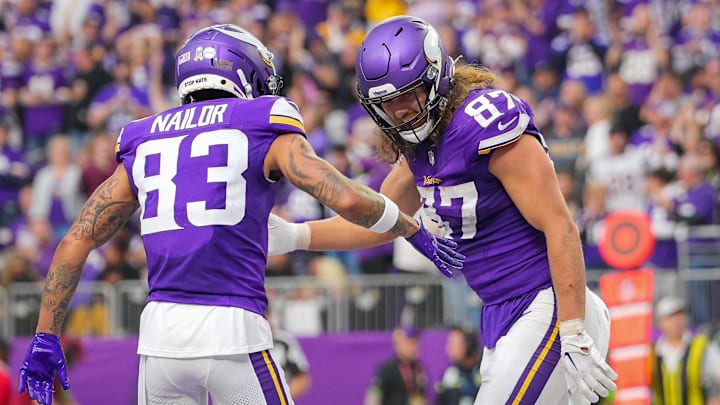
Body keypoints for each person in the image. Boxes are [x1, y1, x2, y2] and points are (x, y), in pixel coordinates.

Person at [17, 24, 464, 405]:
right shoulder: (260, 117)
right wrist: (410, 228)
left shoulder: (143, 138)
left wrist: (45, 335)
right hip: (233, 333)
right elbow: (345, 199)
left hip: (159, 345)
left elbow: (77, 238)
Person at [269, 15, 617, 404]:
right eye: (388, 103)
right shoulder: (419, 152)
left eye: (407, 95)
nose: (400, 112)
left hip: (550, 304)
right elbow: (380, 221)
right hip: (500, 315)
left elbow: (560, 226)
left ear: (436, 77)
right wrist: (297, 235)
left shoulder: (482, 123)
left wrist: (573, 331)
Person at [651, 296, 720, 405]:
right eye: (671, 317)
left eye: (680, 315)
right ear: (660, 321)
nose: (677, 321)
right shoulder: (653, 352)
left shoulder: (701, 347)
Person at [365, 325, 428, 405]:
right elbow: (373, 397)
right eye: (410, 343)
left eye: (416, 343)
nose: (414, 347)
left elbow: (422, 396)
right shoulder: (387, 369)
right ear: (398, 344)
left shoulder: (420, 369)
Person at [435, 325, 482, 405]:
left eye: (454, 344)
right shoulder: (449, 373)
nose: (448, 348)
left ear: (468, 345)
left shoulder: (482, 372)